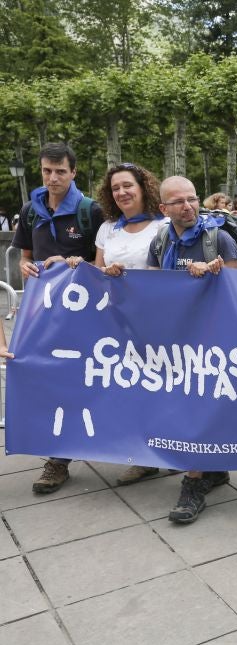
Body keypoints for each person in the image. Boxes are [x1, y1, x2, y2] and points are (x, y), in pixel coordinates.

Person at [147, 175, 237, 524]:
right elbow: (152, 284)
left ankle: (193, 483)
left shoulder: (219, 239)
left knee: (199, 407)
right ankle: (212, 470)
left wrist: (215, 275)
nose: (188, 206)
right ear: (163, 208)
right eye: (178, 201)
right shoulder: (160, 240)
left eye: (192, 199)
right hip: (175, 340)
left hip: (211, 341)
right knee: (186, 406)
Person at [13, 143, 105, 495]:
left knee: (94, 381)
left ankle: (130, 448)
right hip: (45, 318)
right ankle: (58, 460)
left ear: (74, 172)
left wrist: (81, 266)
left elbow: (102, 260)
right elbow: (26, 256)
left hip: (87, 319)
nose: (53, 178)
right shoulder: (30, 210)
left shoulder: (89, 211)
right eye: (47, 172)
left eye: (60, 172)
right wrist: (25, 265)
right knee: (52, 383)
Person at [94, 162, 167, 486]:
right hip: (117, 321)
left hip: (156, 319)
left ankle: (175, 447)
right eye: (115, 188)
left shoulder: (163, 225)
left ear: (143, 187)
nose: (121, 192)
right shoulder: (107, 229)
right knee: (132, 387)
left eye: (127, 185)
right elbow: (96, 272)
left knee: (163, 387)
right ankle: (143, 456)